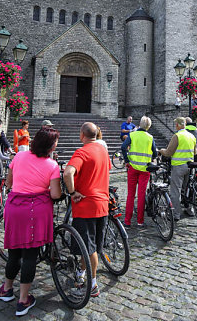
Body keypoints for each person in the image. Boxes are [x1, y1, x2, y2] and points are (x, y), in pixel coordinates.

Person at [0, 128, 61, 316]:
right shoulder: (52, 165)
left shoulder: (19, 157)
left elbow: (8, 183)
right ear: (50, 146)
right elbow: (55, 194)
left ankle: (6, 289)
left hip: (14, 208)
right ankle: (23, 300)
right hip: (35, 211)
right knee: (30, 256)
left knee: (14, 252)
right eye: (55, 142)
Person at [64, 122, 111, 298]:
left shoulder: (82, 152)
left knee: (89, 249)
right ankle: (82, 274)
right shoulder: (103, 151)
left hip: (85, 207)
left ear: (81, 135)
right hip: (102, 205)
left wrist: (72, 192)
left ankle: (92, 285)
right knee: (90, 246)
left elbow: (68, 173)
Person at [121, 116, 157, 228]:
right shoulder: (150, 137)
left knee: (130, 195)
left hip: (132, 168)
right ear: (149, 126)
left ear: (140, 124)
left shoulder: (132, 135)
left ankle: (127, 221)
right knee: (141, 195)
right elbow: (155, 153)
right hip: (145, 169)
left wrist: (127, 160)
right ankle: (140, 221)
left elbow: (123, 147)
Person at [159, 117, 196, 220]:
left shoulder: (177, 136)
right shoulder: (191, 136)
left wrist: (161, 151)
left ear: (178, 125)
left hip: (179, 165)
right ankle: (188, 208)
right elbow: (195, 151)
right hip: (189, 165)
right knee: (184, 189)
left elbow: (169, 152)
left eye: (175, 124)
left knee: (175, 191)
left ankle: (175, 214)